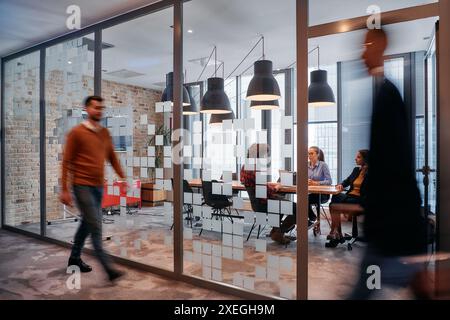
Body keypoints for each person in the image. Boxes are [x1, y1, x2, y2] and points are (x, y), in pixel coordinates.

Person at [348, 28, 427, 299]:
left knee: (365, 289)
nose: (362, 52)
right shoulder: (385, 93)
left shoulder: (388, 96)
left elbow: (394, 162)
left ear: (382, 46)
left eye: (368, 44)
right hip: (391, 216)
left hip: (389, 217)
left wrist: (373, 203)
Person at [60, 95, 126, 282]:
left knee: (87, 223)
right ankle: (109, 269)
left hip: (98, 186)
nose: (99, 111)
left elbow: (112, 157)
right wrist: (64, 189)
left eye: (101, 108)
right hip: (81, 185)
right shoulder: (76, 133)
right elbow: (66, 162)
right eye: (96, 107)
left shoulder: (104, 133)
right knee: (96, 225)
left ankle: (74, 259)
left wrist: (123, 178)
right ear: (87, 109)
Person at [240, 143, 296, 245]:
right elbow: (265, 192)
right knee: (298, 209)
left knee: (281, 205)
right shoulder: (255, 169)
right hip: (264, 203)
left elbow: (257, 186)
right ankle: (279, 233)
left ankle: (275, 231)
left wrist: (267, 186)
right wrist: (276, 187)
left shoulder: (245, 167)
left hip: (257, 203)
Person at [325, 149, 369, 248]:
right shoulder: (356, 170)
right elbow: (347, 181)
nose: (355, 158)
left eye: (358, 157)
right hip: (350, 197)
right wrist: (341, 185)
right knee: (334, 202)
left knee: (335, 201)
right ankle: (338, 233)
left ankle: (335, 233)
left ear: (365, 159)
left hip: (360, 201)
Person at [307, 146, 332, 227]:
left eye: (311, 153)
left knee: (304, 200)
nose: (309, 155)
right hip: (311, 193)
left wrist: (316, 183)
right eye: (308, 153)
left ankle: (312, 218)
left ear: (317, 155)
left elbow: (329, 181)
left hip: (322, 195)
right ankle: (312, 218)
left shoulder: (323, 165)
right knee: (302, 199)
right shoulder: (306, 165)